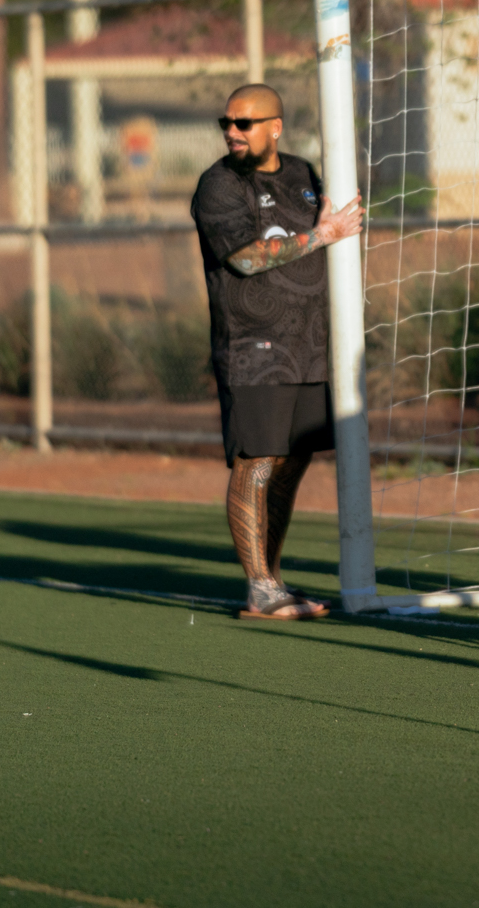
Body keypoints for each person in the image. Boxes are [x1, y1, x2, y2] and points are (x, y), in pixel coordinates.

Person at [190, 83, 363, 621]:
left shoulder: (303, 174)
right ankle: (259, 587)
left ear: (275, 126)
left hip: (310, 345)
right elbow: (243, 258)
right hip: (253, 348)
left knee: (292, 459)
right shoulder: (218, 184)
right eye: (226, 123)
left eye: (244, 123)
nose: (232, 132)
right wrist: (323, 236)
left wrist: (335, 229)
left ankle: (274, 578)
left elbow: (330, 224)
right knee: (257, 459)